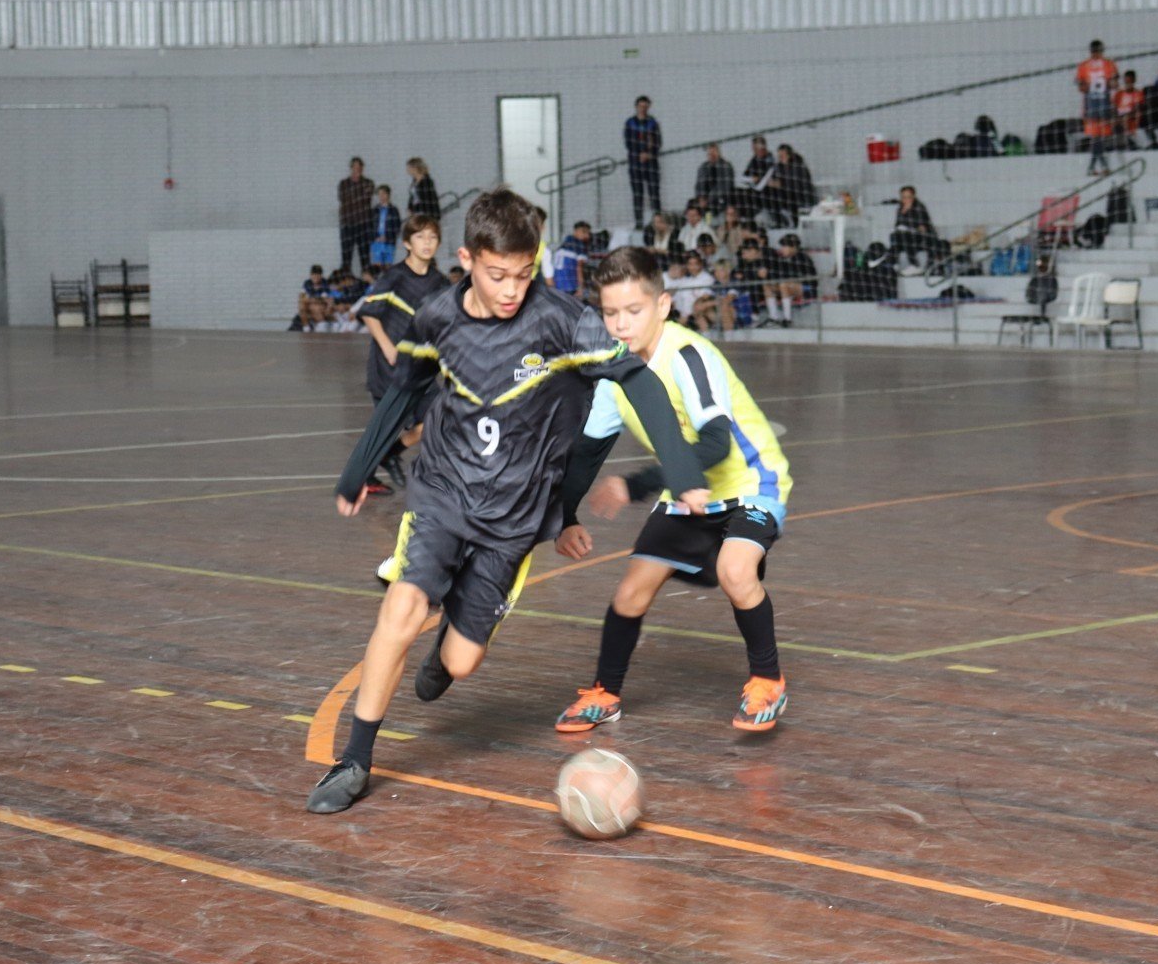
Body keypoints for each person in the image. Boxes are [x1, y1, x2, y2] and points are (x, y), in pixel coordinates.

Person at [307, 187, 710, 813]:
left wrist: (681, 468)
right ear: (467, 258)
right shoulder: (437, 317)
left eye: (524, 274)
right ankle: (355, 759)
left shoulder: (561, 320)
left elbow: (638, 380)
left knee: (462, 662)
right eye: (497, 274)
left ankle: (447, 656)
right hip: (441, 490)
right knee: (403, 608)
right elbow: (403, 390)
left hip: (514, 516)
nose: (511, 288)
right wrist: (358, 469)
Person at [555, 248, 795, 735]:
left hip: (750, 481)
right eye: (610, 313)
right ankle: (605, 691)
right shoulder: (615, 373)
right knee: (630, 592)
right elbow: (587, 454)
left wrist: (635, 484)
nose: (621, 324)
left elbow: (715, 443)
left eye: (633, 311)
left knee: (735, 570)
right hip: (685, 491)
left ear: (663, 305)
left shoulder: (687, 354)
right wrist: (565, 516)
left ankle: (768, 680)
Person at [357, 213, 453, 492]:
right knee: (384, 427)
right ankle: (366, 477)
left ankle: (391, 454)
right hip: (389, 366)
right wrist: (387, 346)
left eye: (432, 237)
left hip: (419, 367)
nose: (427, 242)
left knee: (438, 418)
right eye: (420, 236)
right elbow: (369, 313)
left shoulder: (439, 281)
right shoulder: (395, 275)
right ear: (407, 243)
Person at [625, 95, 663, 227]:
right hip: (635, 165)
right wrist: (639, 154)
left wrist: (649, 154)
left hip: (651, 164)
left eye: (645, 106)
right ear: (636, 107)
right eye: (641, 106)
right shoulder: (630, 123)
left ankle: (658, 221)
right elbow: (628, 143)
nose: (643, 109)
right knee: (637, 194)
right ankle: (639, 223)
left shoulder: (653, 123)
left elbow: (658, 143)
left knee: (654, 193)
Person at [1075, 39, 1118, 156]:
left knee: (1103, 135)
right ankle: (1099, 165)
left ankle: (1099, 164)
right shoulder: (1084, 66)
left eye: (1098, 51)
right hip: (1092, 105)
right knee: (1096, 135)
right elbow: (1081, 87)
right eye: (1094, 51)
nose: (1096, 54)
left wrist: (1105, 83)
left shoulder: (1109, 64)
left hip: (1104, 104)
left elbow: (1115, 85)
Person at [890, 185, 946, 269]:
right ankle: (894, 263)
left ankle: (914, 264)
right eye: (903, 197)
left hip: (921, 237)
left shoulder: (919, 207)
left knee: (905, 237)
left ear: (913, 197)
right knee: (894, 237)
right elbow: (897, 225)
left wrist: (909, 227)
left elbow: (922, 227)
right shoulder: (900, 209)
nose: (905, 200)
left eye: (908, 197)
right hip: (906, 236)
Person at [665, 249, 718, 329]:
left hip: (695, 314)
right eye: (690, 264)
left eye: (695, 264)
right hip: (680, 315)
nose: (693, 267)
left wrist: (687, 315)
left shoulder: (707, 278)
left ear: (700, 264)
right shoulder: (685, 280)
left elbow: (705, 297)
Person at [337, 157, 373, 274]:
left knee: (365, 256)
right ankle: (346, 283)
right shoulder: (343, 184)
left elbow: (365, 199)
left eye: (359, 167)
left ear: (362, 168)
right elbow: (344, 199)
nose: (357, 169)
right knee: (346, 256)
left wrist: (354, 197)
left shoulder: (368, 183)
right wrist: (358, 196)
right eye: (355, 167)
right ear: (351, 168)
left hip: (363, 224)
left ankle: (367, 283)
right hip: (347, 224)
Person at [553, 219, 594, 297]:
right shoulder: (579, 246)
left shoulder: (564, 244)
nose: (587, 235)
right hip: (570, 286)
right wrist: (581, 288)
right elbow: (579, 268)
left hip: (556, 285)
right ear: (576, 231)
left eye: (588, 233)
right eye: (584, 232)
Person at [694, 142, 736, 214]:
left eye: (714, 153)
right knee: (691, 204)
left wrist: (709, 199)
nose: (712, 156)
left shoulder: (726, 166)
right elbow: (698, 185)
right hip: (705, 201)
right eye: (710, 154)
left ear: (719, 153)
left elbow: (725, 186)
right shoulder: (703, 167)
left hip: (720, 199)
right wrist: (700, 197)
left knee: (719, 201)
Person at [367, 185, 402, 268]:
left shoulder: (394, 210)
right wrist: (375, 237)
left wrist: (387, 237)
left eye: (383, 194)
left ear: (388, 195)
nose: (381, 196)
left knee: (388, 267)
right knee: (377, 266)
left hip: (389, 242)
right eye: (379, 194)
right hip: (377, 242)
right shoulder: (374, 210)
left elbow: (397, 227)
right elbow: (370, 226)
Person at [1112, 70, 1145, 150]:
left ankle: (1130, 142)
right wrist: (1116, 117)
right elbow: (1113, 108)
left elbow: (1138, 108)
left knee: (1124, 120)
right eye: (1126, 81)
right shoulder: (1119, 94)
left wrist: (1124, 116)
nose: (1127, 84)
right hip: (1119, 118)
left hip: (1130, 119)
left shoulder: (1138, 93)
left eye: (1129, 81)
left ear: (1134, 81)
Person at [296, 264, 335, 332]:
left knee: (316, 307)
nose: (316, 277)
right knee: (301, 305)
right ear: (311, 275)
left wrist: (310, 300)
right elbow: (301, 297)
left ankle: (320, 325)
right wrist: (309, 300)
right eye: (314, 275)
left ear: (321, 275)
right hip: (309, 305)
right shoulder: (307, 283)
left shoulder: (324, 284)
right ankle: (306, 327)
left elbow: (323, 300)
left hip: (321, 307)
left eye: (318, 275)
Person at [405, 157, 440, 222]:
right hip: (417, 213)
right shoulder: (414, 182)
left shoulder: (427, 181)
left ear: (415, 168)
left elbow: (427, 199)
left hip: (426, 214)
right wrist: (409, 208)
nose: (407, 170)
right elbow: (412, 197)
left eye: (409, 168)